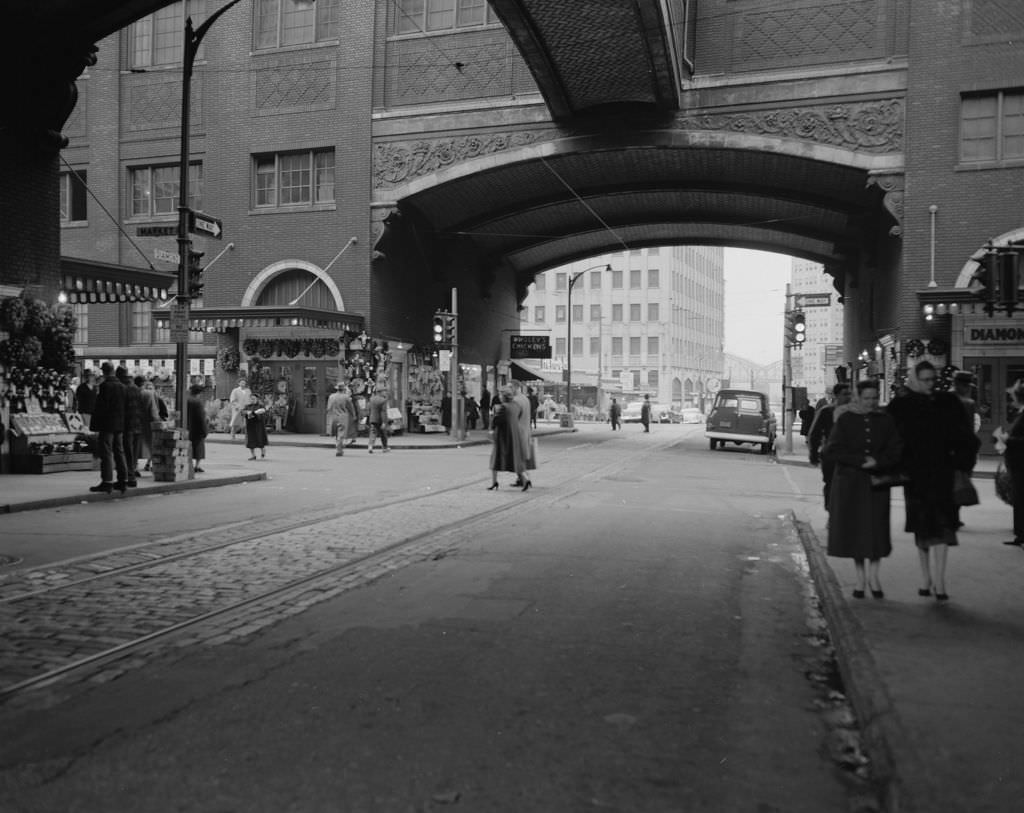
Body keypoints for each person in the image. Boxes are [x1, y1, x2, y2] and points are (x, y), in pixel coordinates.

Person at [889, 360, 977, 601]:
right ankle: (926, 578)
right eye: (925, 379)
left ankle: (939, 581)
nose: (930, 384)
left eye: (933, 379)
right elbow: (890, 438)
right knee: (923, 530)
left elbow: (965, 437)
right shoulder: (902, 405)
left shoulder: (947, 403)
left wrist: (961, 464)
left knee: (942, 527)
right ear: (916, 378)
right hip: (917, 477)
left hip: (942, 474)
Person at [824, 380, 903, 599]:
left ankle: (874, 577)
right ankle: (860, 579)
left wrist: (877, 462)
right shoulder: (846, 420)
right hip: (851, 484)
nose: (871, 402)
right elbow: (833, 449)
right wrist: (860, 461)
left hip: (876, 483)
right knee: (857, 531)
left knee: (876, 530)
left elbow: (896, 449)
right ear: (858, 397)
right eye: (867, 398)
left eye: (874, 398)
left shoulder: (885, 420)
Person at [808, 383, 852, 510]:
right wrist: (813, 454)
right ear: (836, 395)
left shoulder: (854, 413)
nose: (848, 397)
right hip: (831, 456)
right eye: (845, 394)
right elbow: (814, 434)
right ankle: (831, 511)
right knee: (831, 484)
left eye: (849, 394)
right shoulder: (826, 411)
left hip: (850, 456)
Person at [89, 362, 129, 494]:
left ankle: (107, 482)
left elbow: (101, 407)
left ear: (105, 372)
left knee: (106, 452)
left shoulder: (105, 386)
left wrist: (95, 425)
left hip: (107, 424)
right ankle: (123, 480)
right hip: (120, 424)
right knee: (119, 451)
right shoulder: (122, 387)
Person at [994, 379, 1024, 547]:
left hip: (1021, 463)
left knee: (1020, 497)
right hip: (1017, 462)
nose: (1011, 400)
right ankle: (1019, 534)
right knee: (1018, 497)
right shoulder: (1021, 414)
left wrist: (1008, 439)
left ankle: (1021, 534)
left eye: (1013, 396)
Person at [952, 370, 980, 529]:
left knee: (954, 481)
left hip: (953, 448)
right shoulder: (967, 403)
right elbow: (968, 429)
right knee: (960, 480)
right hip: (962, 449)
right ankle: (954, 515)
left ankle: (952, 515)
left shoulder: (945, 399)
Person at [487, 386, 531, 491]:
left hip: (503, 436)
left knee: (495, 459)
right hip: (514, 434)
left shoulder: (503, 407)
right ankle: (525, 478)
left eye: (500, 395)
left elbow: (497, 421)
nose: (499, 397)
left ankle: (494, 482)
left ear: (504, 396)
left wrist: (492, 428)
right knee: (514, 458)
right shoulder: (516, 405)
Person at [116, 367, 143, 485]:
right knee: (134, 452)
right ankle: (132, 475)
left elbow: (120, 408)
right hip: (137, 424)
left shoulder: (122, 388)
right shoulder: (136, 388)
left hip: (127, 425)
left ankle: (129, 477)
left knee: (126, 452)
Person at [136, 377, 162, 473]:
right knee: (152, 445)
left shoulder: (131, 392)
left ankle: (134, 468)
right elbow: (153, 411)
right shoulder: (149, 394)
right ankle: (155, 466)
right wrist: (158, 421)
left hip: (135, 423)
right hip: (148, 423)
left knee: (135, 446)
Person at [511, 381, 536, 483]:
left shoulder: (515, 400)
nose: (509, 390)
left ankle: (524, 478)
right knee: (522, 456)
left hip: (518, 432)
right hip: (525, 430)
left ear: (516, 387)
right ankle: (523, 478)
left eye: (510, 387)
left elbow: (513, 417)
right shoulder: (525, 399)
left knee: (518, 457)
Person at [326, 383, 357, 456]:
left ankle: (338, 445)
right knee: (341, 433)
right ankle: (339, 449)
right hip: (343, 416)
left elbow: (328, 408)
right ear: (343, 389)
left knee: (337, 433)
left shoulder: (331, 397)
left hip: (333, 416)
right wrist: (354, 415)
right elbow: (351, 408)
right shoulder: (346, 397)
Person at [187, 384, 209, 473]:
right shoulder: (197, 402)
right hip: (197, 429)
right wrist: (205, 430)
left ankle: (189, 464)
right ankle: (197, 465)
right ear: (199, 393)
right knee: (199, 448)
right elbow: (201, 418)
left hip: (187, 427)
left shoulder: (186, 400)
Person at [367, 385, 391, 453]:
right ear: (380, 392)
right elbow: (383, 412)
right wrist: (384, 422)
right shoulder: (383, 400)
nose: (385, 393)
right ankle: (385, 447)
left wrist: (369, 416)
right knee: (383, 434)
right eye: (384, 391)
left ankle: (370, 446)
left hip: (373, 418)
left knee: (373, 433)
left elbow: (369, 409)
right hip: (380, 420)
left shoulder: (371, 399)